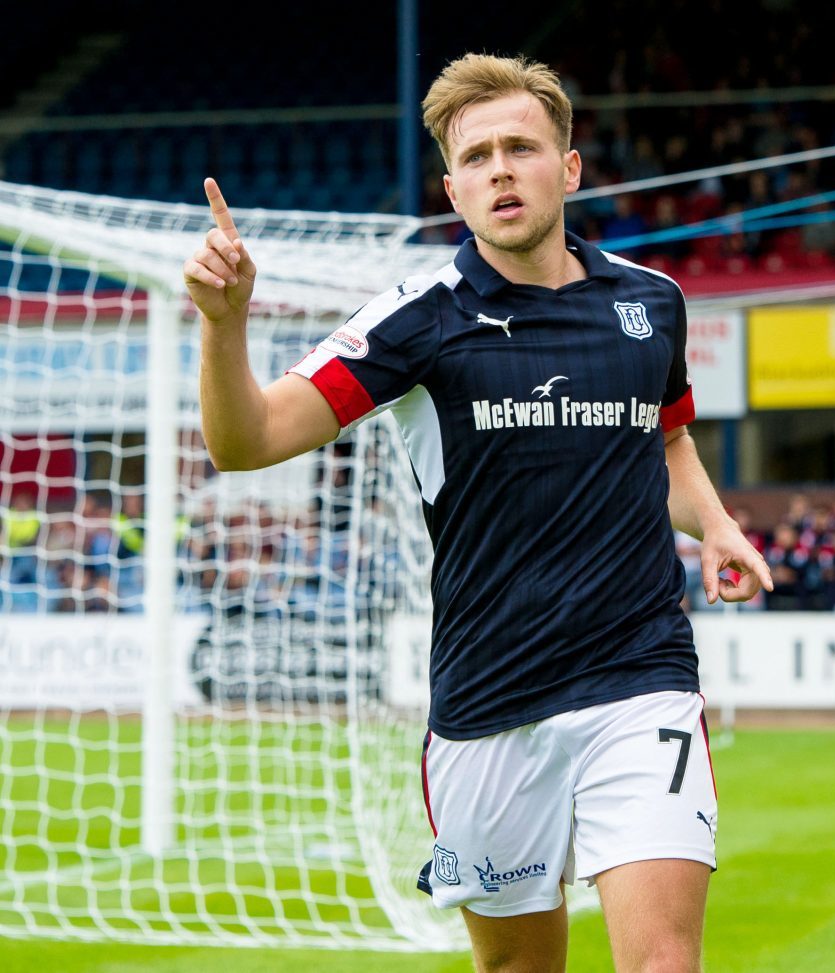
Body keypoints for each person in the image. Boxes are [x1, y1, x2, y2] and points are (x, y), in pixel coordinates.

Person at [184, 52, 771, 973]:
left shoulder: (652, 306)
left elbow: (662, 440)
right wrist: (225, 327)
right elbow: (245, 440)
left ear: (567, 168)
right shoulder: (417, 321)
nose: (502, 168)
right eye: (480, 155)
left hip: (641, 678)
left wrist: (719, 524)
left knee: (664, 961)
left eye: (522, 147)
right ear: (453, 188)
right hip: (489, 706)